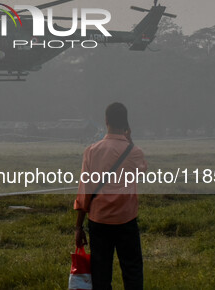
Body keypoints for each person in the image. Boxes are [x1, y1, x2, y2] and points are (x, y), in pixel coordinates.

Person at [74, 102, 148, 290]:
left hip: (99, 220)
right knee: (132, 271)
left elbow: (85, 191)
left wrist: (78, 226)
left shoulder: (91, 151)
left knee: (100, 274)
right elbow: (142, 172)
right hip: (126, 219)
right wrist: (129, 141)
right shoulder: (135, 152)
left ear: (106, 121)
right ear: (126, 123)